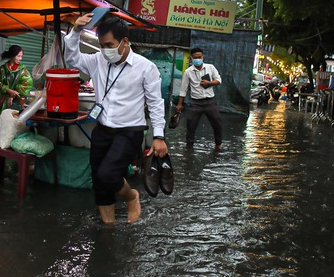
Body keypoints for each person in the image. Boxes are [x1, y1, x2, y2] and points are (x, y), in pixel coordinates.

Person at [64, 13, 168, 224]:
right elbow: (72, 59)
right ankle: (108, 228)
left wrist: (158, 136)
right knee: (99, 180)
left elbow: (156, 103)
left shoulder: (146, 67)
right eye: (101, 45)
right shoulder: (97, 61)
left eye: (109, 44)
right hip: (102, 129)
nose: (104, 50)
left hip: (130, 132)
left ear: (125, 41)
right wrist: (75, 31)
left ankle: (132, 196)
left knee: (108, 174)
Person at [176, 47, 223, 151]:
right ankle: (189, 147)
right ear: (191, 58)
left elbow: (219, 80)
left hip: (210, 101)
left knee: (217, 123)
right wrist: (180, 104)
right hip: (196, 103)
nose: (198, 59)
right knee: (191, 125)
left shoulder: (210, 67)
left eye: (199, 57)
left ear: (203, 57)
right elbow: (183, 89)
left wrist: (209, 83)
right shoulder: (188, 72)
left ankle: (218, 144)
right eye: (195, 57)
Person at [0, 45, 33, 125]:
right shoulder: (2, 69)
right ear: (12, 55)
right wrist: (8, 90)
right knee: (1, 122)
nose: (20, 59)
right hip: (2, 102)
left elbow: (27, 84)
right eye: (18, 56)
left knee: (14, 123)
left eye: (21, 56)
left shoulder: (23, 70)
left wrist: (13, 95)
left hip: (17, 102)